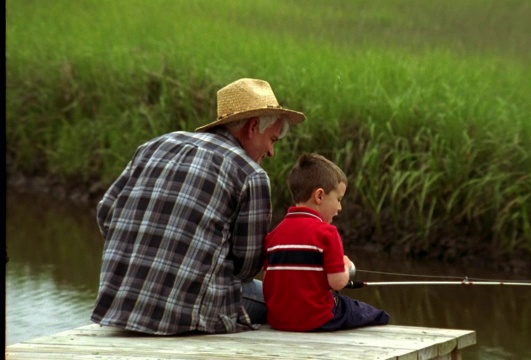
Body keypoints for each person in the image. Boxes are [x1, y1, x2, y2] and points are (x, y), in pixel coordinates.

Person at [91, 78, 306, 335]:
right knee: (288, 298)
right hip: (188, 313)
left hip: (120, 303)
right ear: (252, 127)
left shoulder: (154, 146)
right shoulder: (251, 174)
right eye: (273, 140)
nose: (271, 152)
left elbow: (105, 212)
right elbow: (247, 267)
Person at [263, 153, 390, 331]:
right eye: (338, 199)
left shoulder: (274, 236)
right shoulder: (327, 233)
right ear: (320, 196)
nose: (340, 208)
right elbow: (338, 283)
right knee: (375, 314)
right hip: (318, 319)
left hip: (279, 321)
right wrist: (345, 266)